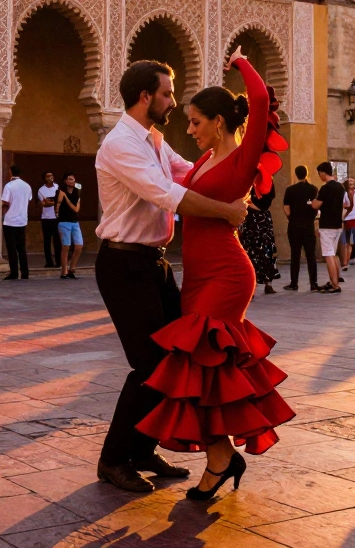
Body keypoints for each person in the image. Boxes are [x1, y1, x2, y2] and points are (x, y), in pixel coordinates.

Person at [137, 48, 293, 501]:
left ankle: (220, 461)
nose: (189, 129)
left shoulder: (241, 159)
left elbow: (260, 100)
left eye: (196, 122)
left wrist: (241, 63)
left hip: (226, 274)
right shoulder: (202, 162)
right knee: (200, 374)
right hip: (197, 275)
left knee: (202, 370)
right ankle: (221, 458)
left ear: (219, 122)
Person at [93, 58, 247, 494]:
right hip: (123, 265)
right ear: (146, 96)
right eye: (167, 93)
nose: (174, 101)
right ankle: (113, 458)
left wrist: (235, 156)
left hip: (151, 263)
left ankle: (141, 450)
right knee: (149, 363)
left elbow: (191, 172)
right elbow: (172, 195)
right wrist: (227, 210)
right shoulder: (121, 144)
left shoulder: (155, 141)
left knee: (175, 358)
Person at [281, 166, 318, 291]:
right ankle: (313, 283)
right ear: (306, 174)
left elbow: (286, 207)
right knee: (310, 255)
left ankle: (294, 283)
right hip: (308, 225)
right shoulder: (313, 189)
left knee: (295, 255)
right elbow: (316, 206)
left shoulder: (290, 190)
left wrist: (292, 218)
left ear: (296, 175)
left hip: (294, 226)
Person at [310, 162, 344, 294]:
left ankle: (335, 285)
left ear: (323, 172)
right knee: (333, 254)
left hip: (327, 224)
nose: (319, 176)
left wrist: (312, 202)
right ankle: (334, 281)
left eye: (319, 173)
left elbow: (315, 205)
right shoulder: (340, 187)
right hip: (337, 224)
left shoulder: (325, 188)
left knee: (328, 255)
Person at [1, 165, 32, 281]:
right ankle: (25, 272)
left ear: (10, 172)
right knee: (21, 248)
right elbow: (28, 200)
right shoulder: (27, 186)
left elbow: (5, 201)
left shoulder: (9, 186)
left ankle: (14, 272)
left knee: (11, 248)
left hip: (10, 220)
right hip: (22, 220)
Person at [56, 173, 84, 279]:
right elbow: (58, 204)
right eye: (70, 179)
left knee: (79, 245)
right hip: (64, 222)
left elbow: (76, 209)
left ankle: (72, 268)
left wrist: (67, 199)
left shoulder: (77, 193)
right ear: (66, 181)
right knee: (66, 246)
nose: (72, 181)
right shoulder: (61, 192)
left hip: (74, 222)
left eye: (73, 179)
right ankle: (64, 271)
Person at [37, 172, 62, 269]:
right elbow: (43, 204)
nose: (50, 178)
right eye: (48, 176)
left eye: (51, 176)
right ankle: (49, 262)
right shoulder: (41, 190)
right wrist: (54, 202)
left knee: (57, 241)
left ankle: (58, 261)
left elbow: (60, 201)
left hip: (56, 217)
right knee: (47, 241)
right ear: (44, 178)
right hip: (46, 218)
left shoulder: (57, 187)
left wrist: (49, 201)